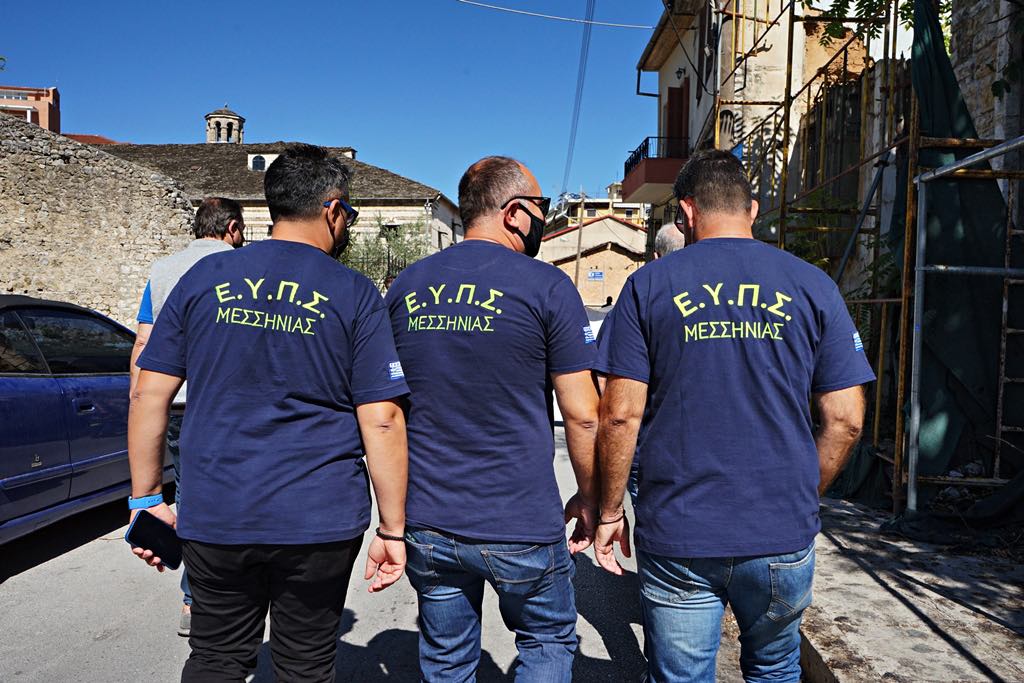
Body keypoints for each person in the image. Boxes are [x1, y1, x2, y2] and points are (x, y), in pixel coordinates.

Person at [127, 143, 410, 682]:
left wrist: (146, 499)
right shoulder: (353, 292)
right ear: (333, 210)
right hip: (319, 519)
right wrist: (392, 529)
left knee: (216, 658)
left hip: (216, 512)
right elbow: (382, 418)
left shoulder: (203, 278)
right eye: (349, 214)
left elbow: (147, 393)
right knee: (305, 665)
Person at [593, 150, 874, 682]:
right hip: (780, 532)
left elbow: (620, 416)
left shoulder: (649, 286)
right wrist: (800, 491)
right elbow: (846, 420)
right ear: (753, 208)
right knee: (775, 670)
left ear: (686, 212)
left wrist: (609, 512)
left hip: (680, 531)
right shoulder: (813, 285)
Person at [384, 156, 600, 682]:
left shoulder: (407, 286)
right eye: (541, 208)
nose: (544, 220)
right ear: (514, 212)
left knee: (447, 659)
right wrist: (593, 497)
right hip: (520, 521)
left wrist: (391, 520)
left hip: (429, 520)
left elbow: (387, 408)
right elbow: (583, 415)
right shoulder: (547, 287)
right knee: (547, 641)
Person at [129, 196, 245, 637]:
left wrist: (141, 401)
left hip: (175, 402)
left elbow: (144, 342)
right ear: (232, 228)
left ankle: (194, 601)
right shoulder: (241, 267)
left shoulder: (162, 271)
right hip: (224, 401)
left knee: (191, 492)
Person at [619, 221, 689, 509]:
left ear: (656, 256)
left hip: (654, 459)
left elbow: (618, 410)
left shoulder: (643, 290)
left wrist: (608, 508)